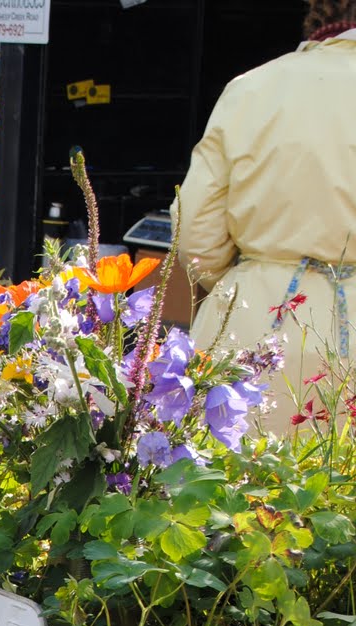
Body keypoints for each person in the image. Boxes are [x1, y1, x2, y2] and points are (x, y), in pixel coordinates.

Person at [172, 0, 356, 426]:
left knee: (233, 485)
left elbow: (196, 237)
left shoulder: (251, 89)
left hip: (257, 325)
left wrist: (253, 280)